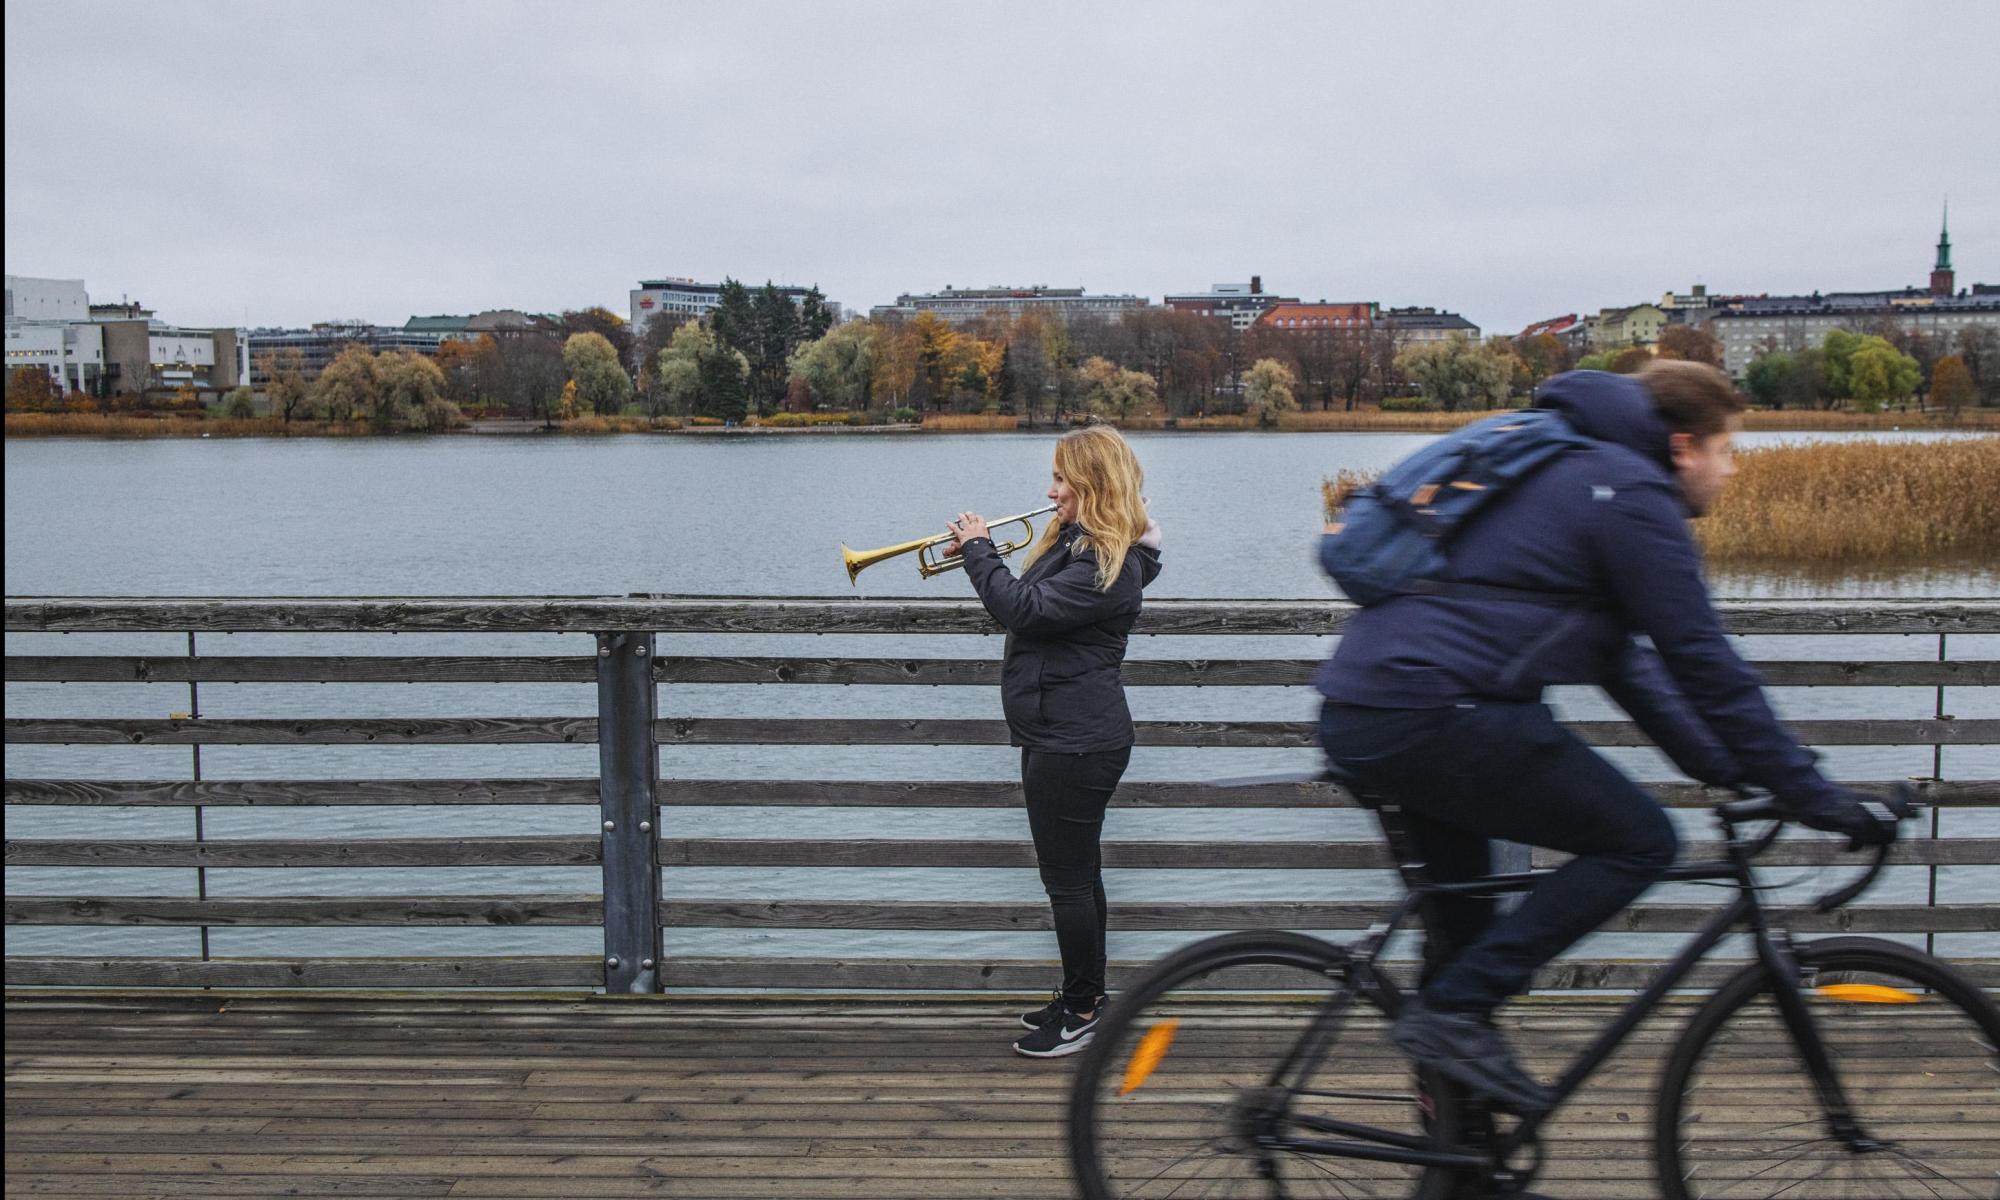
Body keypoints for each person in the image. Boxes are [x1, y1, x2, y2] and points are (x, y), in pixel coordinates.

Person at [1318, 361, 1906, 1115]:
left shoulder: (1576, 470)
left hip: (1379, 708)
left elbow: (1628, 667)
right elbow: (1704, 661)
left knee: (1465, 938)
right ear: (1685, 445)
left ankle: (1461, 1160)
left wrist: (1732, 771)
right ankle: (1450, 1017)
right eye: (1728, 451)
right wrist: (1809, 791)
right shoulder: (1628, 493)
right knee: (1640, 841)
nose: (1730, 472)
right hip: (1437, 714)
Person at [944, 425, 1163, 1058]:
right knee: (1077, 876)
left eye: (1063, 479)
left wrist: (979, 550)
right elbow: (1034, 601)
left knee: (1066, 881)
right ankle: (1081, 995)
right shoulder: (1080, 545)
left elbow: (1025, 610)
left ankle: (1084, 1012)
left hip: (1077, 739)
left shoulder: (1110, 564)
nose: (1051, 490)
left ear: (1093, 484)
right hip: (1059, 728)